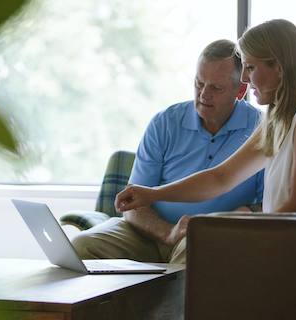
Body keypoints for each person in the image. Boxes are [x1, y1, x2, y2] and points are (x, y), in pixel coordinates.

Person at [116, 19, 296, 220]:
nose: (244, 80)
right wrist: (151, 193)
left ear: (280, 68)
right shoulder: (278, 121)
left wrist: (239, 232)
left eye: (250, 67)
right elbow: (220, 178)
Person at [71, 39, 264, 264]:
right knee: (81, 246)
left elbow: (265, 207)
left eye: (215, 88)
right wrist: (168, 233)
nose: (203, 95)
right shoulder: (165, 122)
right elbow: (134, 204)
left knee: (198, 247)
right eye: (199, 83)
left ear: (240, 90)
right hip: (148, 233)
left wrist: (239, 215)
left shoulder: (260, 130)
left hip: (207, 237)